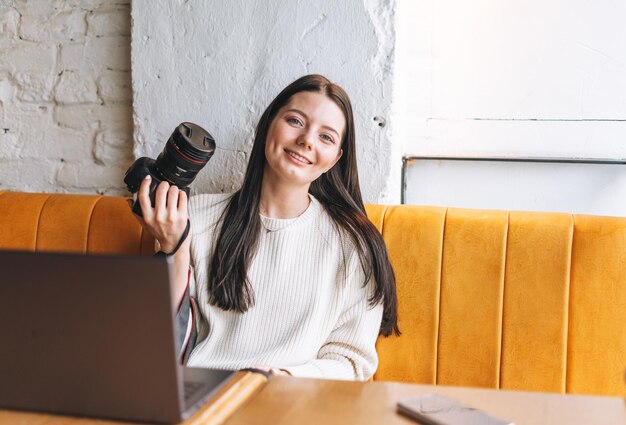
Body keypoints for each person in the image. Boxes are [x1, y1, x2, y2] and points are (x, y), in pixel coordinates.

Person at [132, 74, 399, 381]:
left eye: (326, 137)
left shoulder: (354, 246)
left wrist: (286, 377)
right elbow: (162, 344)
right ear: (268, 124)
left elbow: (353, 362)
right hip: (200, 399)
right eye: (296, 121)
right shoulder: (194, 215)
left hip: (289, 404)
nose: (307, 140)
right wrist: (173, 249)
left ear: (335, 159)